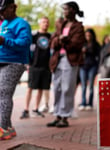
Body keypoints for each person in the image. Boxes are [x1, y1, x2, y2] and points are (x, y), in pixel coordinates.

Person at [47, 1, 85, 127]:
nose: (64, 12)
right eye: (63, 9)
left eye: (66, 9)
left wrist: (64, 40)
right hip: (57, 59)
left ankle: (65, 116)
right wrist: (59, 39)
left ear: (73, 10)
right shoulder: (60, 25)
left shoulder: (78, 27)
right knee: (57, 87)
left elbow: (77, 44)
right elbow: (52, 42)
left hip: (70, 60)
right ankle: (57, 115)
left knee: (67, 88)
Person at [0, 0, 32, 140]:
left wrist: (4, 41)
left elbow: (24, 44)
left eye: (3, 10)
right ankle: (8, 128)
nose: (1, 13)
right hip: (2, 61)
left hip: (14, 63)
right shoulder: (5, 23)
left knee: (4, 93)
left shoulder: (21, 23)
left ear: (13, 7)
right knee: (2, 94)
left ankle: (2, 128)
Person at [20, 16, 51, 119]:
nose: (45, 24)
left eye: (47, 22)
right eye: (43, 22)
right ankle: (26, 110)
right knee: (30, 88)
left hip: (46, 67)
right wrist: (28, 63)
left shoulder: (50, 37)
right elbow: (28, 49)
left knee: (41, 89)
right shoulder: (34, 36)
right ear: (40, 24)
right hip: (34, 65)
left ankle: (36, 109)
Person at [78, 28, 101, 111]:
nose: (88, 36)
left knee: (91, 86)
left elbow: (99, 56)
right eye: (86, 35)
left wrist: (98, 67)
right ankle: (83, 102)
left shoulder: (96, 44)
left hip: (92, 66)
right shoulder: (82, 44)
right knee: (83, 86)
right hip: (83, 66)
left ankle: (90, 103)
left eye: (89, 35)